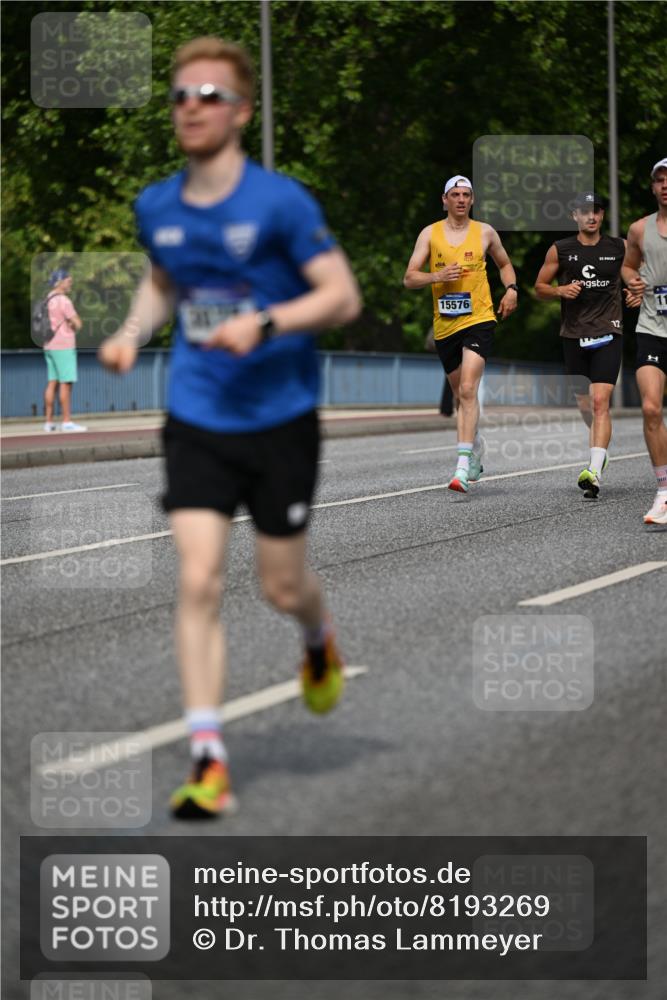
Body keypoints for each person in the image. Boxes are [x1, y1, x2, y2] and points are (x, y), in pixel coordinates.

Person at [98, 36, 361, 819]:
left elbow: (341, 296)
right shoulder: (157, 205)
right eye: (180, 95)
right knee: (198, 577)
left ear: (241, 112)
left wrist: (268, 322)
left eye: (209, 96)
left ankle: (317, 636)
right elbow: (163, 281)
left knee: (280, 585)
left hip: (279, 419)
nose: (191, 108)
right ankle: (208, 757)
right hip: (199, 414)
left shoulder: (280, 203)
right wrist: (130, 331)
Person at [403, 175, 518, 492]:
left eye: (467, 194)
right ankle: (476, 448)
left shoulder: (485, 233)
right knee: (460, 396)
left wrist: (511, 290)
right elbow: (409, 278)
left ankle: (462, 466)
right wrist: (437, 275)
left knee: (468, 389)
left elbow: (505, 264)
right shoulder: (430, 234)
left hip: (479, 319)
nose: (461, 199)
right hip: (445, 326)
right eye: (455, 194)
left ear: (472, 199)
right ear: (444, 200)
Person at [534, 192, 626, 499]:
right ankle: (601, 450)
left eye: (597, 211)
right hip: (573, 336)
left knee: (600, 402)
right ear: (574, 215)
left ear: (602, 215)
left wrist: (638, 290)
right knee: (587, 408)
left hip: (608, 333)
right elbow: (539, 288)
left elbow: (638, 275)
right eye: (585, 211)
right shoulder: (561, 249)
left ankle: (594, 470)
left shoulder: (619, 247)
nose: (591, 216)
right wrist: (560, 290)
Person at [622, 158, 667, 525]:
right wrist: (633, 281)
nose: (666, 185)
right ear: (652, 187)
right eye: (660, 180)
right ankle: (664, 493)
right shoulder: (639, 229)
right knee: (651, 408)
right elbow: (627, 264)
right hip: (652, 327)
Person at [42, 269, 87, 432]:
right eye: (68, 281)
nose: (70, 283)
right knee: (66, 383)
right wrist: (73, 325)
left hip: (48, 344)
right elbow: (78, 323)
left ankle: (48, 422)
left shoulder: (48, 299)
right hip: (64, 345)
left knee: (52, 382)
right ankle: (67, 421)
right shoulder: (63, 300)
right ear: (59, 282)